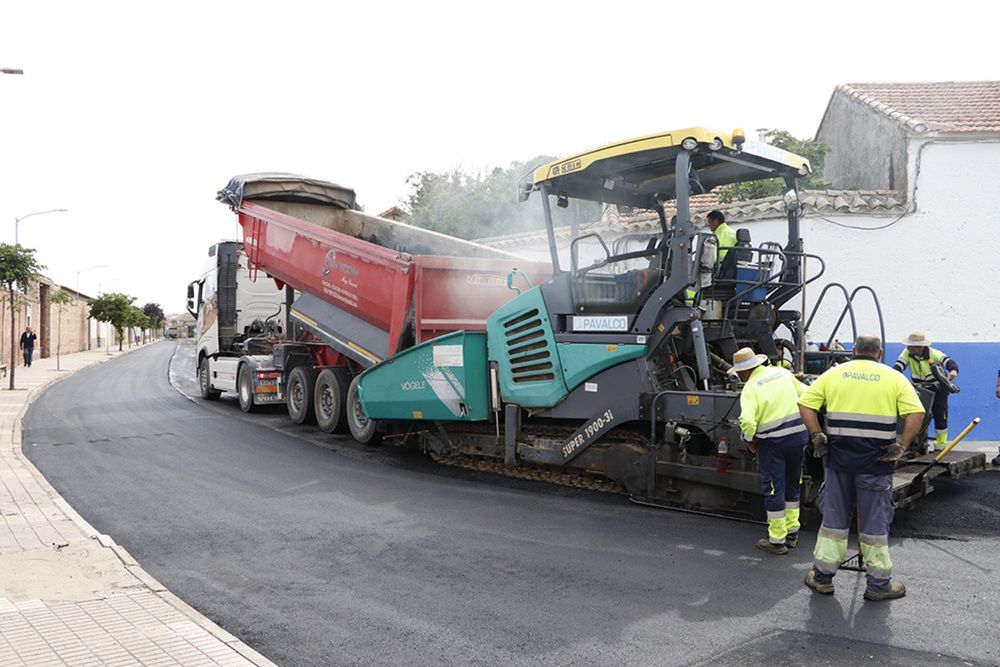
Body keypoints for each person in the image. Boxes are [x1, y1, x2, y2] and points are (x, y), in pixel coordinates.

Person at [798, 334, 924, 601]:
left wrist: (816, 434)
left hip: (838, 461)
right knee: (874, 523)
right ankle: (878, 585)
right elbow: (917, 413)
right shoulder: (894, 377)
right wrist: (902, 445)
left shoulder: (834, 373)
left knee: (833, 521)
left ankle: (822, 578)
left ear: (853, 350)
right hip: (875, 463)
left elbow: (805, 403)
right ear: (879, 354)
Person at [731, 347, 809, 555]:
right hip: (798, 439)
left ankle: (776, 540)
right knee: (793, 485)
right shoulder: (783, 373)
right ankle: (792, 533)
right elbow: (807, 395)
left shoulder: (751, 388)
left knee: (775, 489)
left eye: (739, 373)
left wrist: (749, 440)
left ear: (745, 371)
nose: (739, 377)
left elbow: (747, 420)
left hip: (774, 444)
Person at [892, 332, 958, 451]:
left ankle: (940, 447)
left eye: (910, 346)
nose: (907, 348)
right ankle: (919, 444)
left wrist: (953, 371)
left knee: (940, 417)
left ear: (918, 347)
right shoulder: (907, 353)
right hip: (920, 391)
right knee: (918, 416)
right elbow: (898, 367)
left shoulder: (933, 353)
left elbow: (949, 362)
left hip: (938, 390)